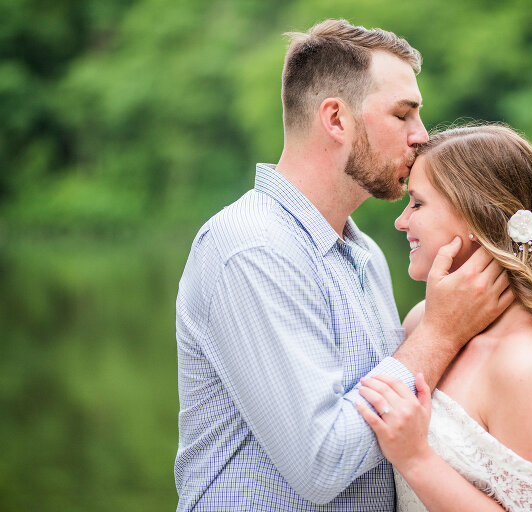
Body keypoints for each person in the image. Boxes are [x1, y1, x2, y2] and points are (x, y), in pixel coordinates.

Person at [174, 20, 513, 511]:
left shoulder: (367, 255)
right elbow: (323, 463)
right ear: (336, 119)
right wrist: (440, 333)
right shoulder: (251, 249)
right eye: (403, 115)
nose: (422, 136)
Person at [356, 124, 532, 511]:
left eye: (417, 204)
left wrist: (417, 459)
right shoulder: (421, 323)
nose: (401, 221)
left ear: (475, 215)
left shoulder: (527, 364)